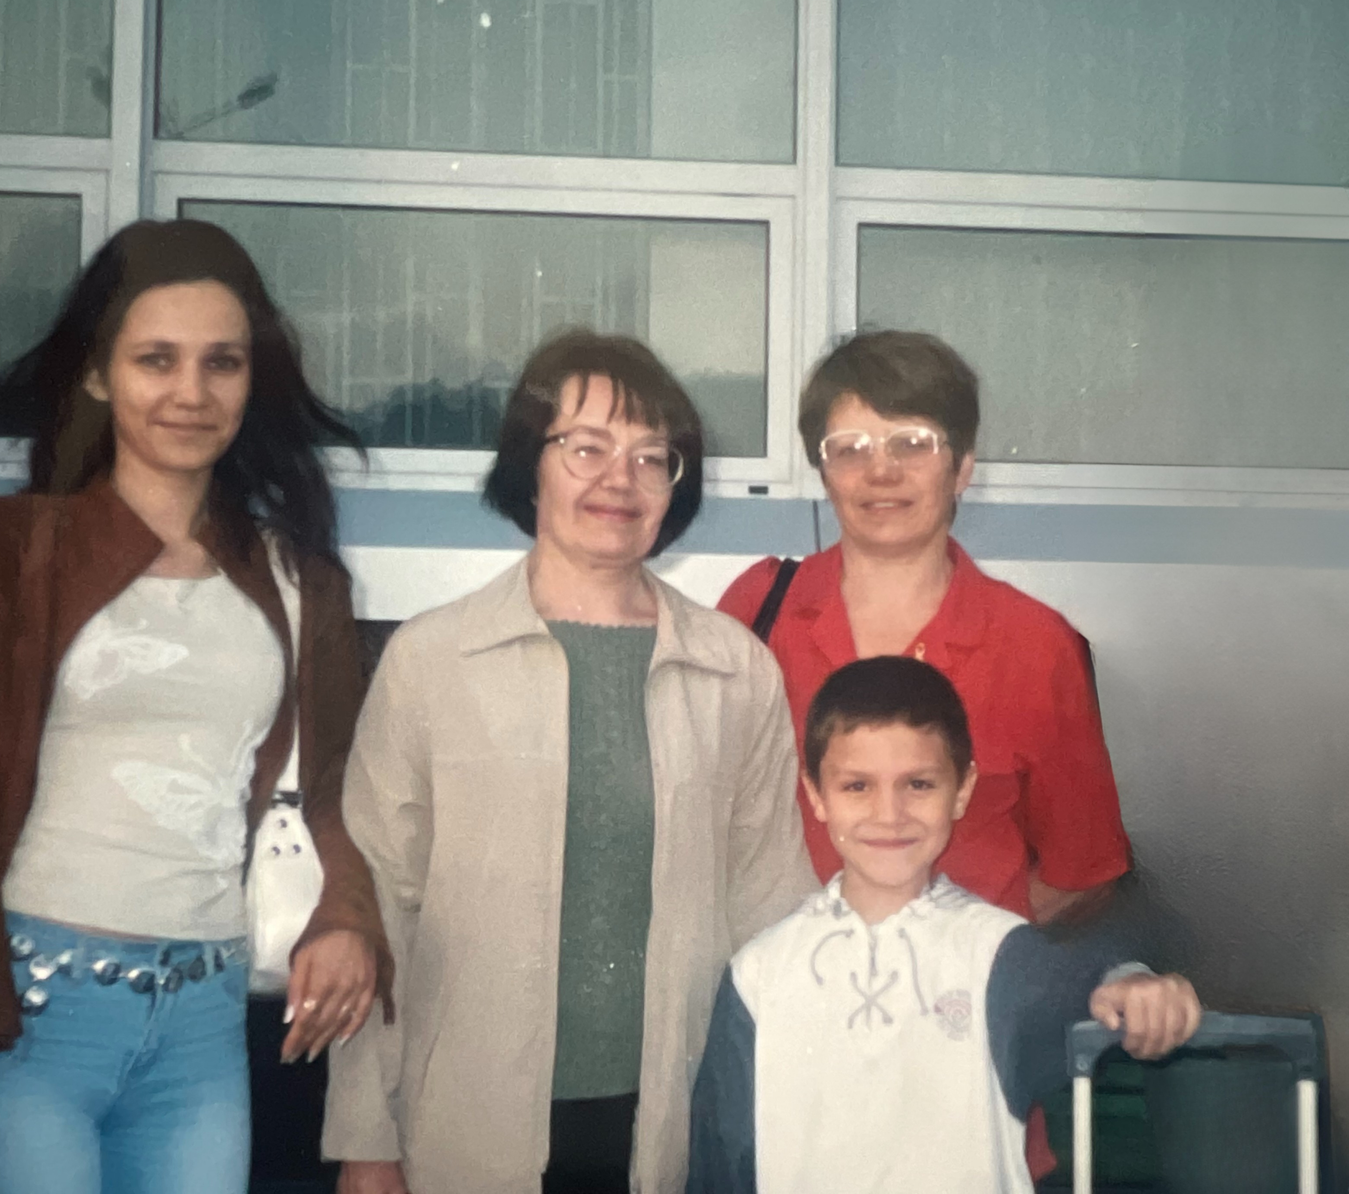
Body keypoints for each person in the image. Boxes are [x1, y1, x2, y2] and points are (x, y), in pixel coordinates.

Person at [0, 219, 391, 1194]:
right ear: (96, 373)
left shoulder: (300, 578)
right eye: (157, 359)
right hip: (30, 1018)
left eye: (222, 362)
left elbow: (334, 790)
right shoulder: (3, 548)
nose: (191, 392)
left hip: (204, 1026)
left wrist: (346, 915)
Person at [324, 330, 816, 1194]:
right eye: (586, 447)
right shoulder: (432, 660)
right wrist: (365, 1136)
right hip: (466, 1123)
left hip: (673, 1123)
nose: (619, 478)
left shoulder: (735, 670)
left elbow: (769, 904)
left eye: (650, 456)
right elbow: (376, 910)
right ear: (532, 464)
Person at [686, 657, 1202, 1194]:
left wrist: (1136, 981)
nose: (890, 814)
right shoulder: (759, 975)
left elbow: (1098, 982)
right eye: (857, 786)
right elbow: (718, 1166)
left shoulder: (996, 955)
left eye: (918, 784)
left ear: (961, 790)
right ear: (815, 795)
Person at [718, 329, 1131, 921]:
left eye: (912, 444)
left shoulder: (1036, 645)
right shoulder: (758, 610)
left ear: (962, 469)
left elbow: (1080, 872)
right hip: (778, 970)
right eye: (851, 448)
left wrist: (954, 951)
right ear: (824, 472)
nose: (881, 471)